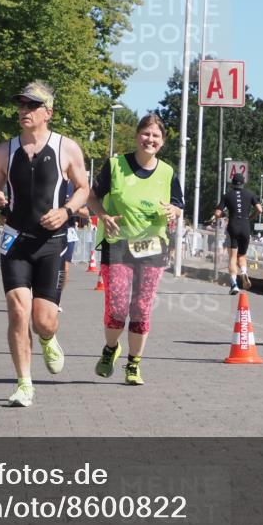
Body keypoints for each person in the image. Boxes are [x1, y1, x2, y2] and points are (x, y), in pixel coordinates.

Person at [0, 81, 90, 407]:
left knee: (42, 319)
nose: (24, 111)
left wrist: (66, 210)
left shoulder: (66, 148)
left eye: (31, 106)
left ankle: (47, 336)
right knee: (17, 311)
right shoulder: (5, 151)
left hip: (52, 243)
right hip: (15, 240)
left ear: (49, 112)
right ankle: (24, 383)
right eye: (21, 105)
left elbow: (84, 188)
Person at [87, 113, 184, 386]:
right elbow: (92, 197)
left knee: (141, 308)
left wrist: (173, 211)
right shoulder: (116, 165)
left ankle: (133, 364)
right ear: (136, 136)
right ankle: (110, 349)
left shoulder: (167, 172)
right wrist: (103, 216)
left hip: (153, 247)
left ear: (162, 142)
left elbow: (178, 206)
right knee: (118, 306)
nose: (149, 139)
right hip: (117, 245)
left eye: (155, 136)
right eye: (145, 133)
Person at [214, 173, 263, 294]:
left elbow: (217, 213)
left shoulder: (227, 195)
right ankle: (244, 272)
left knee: (232, 257)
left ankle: (234, 284)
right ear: (243, 183)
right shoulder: (250, 194)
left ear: (232, 184)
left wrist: (225, 216)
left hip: (233, 225)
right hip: (245, 225)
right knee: (242, 256)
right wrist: (251, 217)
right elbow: (260, 209)